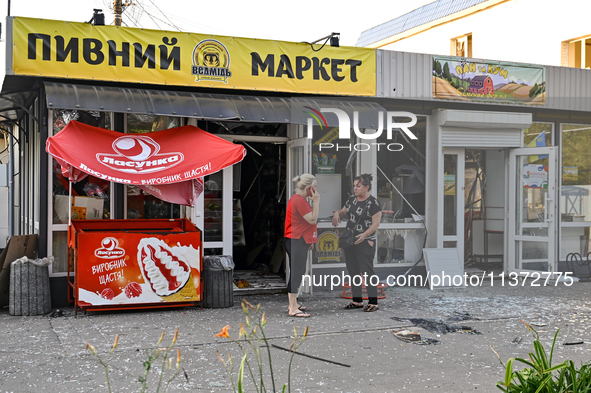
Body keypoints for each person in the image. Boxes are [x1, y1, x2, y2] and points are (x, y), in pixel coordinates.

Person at [332, 174, 382, 312]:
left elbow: (376, 223)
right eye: (354, 186)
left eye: (358, 186)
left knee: (367, 272)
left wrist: (365, 234)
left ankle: (373, 302)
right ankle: (357, 300)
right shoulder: (351, 200)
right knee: (353, 270)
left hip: (366, 241)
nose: (355, 188)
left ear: (366, 187)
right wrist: (337, 214)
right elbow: (343, 212)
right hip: (351, 240)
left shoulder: (374, 203)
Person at [284, 174, 319, 317]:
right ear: (309, 188)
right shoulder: (300, 201)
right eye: (315, 187)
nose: (316, 190)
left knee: (298, 271)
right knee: (297, 273)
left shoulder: (297, 199)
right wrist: (316, 202)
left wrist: (309, 240)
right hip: (296, 240)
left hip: (298, 239)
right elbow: (312, 219)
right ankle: (292, 307)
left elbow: (303, 223)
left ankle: (293, 303)